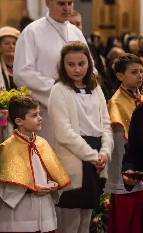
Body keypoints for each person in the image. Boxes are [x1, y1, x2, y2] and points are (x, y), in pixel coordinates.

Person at [48, 41, 113, 233]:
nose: (77, 69)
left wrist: (105, 153)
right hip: (75, 156)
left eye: (81, 63)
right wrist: (93, 156)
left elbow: (106, 125)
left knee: (86, 220)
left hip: (97, 156)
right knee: (70, 222)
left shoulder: (96, 88)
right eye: (71, 64)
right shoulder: (59, 90)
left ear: (89, 64)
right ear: (63, 66)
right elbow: (64, 132)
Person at [14, 0, 89, 147]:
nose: (67, 8)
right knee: (50, 164)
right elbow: (22, 73)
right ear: (48, 3)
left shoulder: (76, 32)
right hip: (47, 113)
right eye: (61, 4)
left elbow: (90, 68)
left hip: (78, 112)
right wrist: (60, 91)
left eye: (70, 3)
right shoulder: (32, 32)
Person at [0, 95, 70, 233]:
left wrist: (52, 183)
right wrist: (32, 188)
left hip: (43, 208)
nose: (40, 118)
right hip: (19, 213)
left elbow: (49, 171)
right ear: (19, 121)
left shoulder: (42, 143)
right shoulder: (8, 147)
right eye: (34, 115)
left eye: (39, 113)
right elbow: (3, 186)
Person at [105, 54, 143, 233]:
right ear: (120, 76)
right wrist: (129, 170)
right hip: (127, 170)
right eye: (134, 72)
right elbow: (120, 142)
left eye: (141, 71)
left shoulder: (140, 99)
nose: (140, 76)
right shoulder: (116, 102)